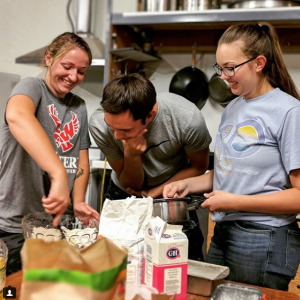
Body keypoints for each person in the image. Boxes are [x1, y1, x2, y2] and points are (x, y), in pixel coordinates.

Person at [163, 22, 300, 291]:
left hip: (264, 237)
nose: (223, 76)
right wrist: (188, 184)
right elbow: (230, 172)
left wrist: (233, 201)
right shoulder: (233, 107)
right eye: (219, 67)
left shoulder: (289, 112)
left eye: (230, 67)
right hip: (224, 231)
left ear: (259, 63)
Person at [0, 32, 100, 274]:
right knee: (13, 293)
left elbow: (80, 158)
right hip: (16, 227)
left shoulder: (79, 106)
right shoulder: (32, 87)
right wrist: (56, 172)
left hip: (57, 227)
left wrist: (78, 202)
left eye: (82, 71)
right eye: (67, 66)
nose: (74, 76)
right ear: (49, 58)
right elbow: (17, 116)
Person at [89, 73, 212, 260]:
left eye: (125, 130)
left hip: (172, 193)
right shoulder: (99, 125)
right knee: (115, 263)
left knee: (184, 260)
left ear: (150, 115)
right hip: (124, 194)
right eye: (111, 127)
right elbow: (131, 184)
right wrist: (131, 153)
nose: (116, 136)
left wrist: (156, 192)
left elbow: (199, 167)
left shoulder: (186, 119)